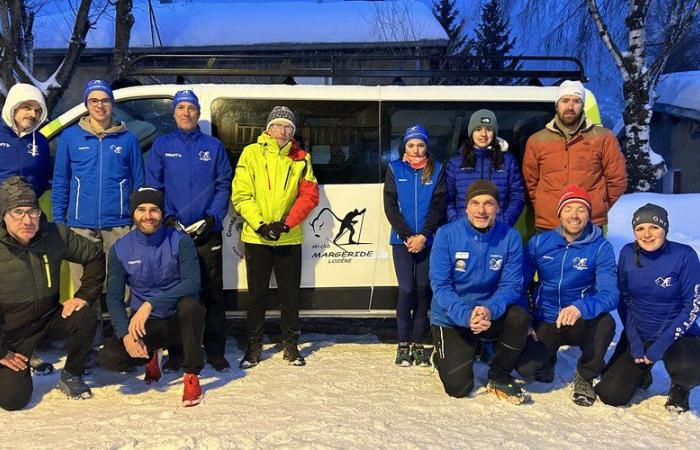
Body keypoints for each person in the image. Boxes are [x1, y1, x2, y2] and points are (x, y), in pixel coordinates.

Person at [52, 79, 145, 355]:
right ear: (86, 104)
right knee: (84, 292)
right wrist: (60, 222)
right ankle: (86, 349)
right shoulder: (70, 138)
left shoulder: (127, 139)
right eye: (94, 100)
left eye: (104, 100)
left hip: (119, 225)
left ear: (112, 104)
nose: (100, 105)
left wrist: (136, 223)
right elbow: (61, 181)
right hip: (80, 227)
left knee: (122, 289)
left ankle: (123, 343)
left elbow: (138, 183)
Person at [145, 89, 233, 372]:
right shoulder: (161, 145)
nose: (186, 112)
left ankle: (216, 350)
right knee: (177, 295)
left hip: (208, 232)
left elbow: (223, 184)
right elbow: (153, 186)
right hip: (173, 233)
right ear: (173, 113)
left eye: (191, 108)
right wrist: (166, 219)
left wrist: (212, 217)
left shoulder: (213, 146)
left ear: (198, 113)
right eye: (181, 107)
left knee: (212, 294)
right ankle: (179, 351)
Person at [0, 176, 105, 410]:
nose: (27, 219)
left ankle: (72, 374)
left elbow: (95, 256)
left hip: (47, 320)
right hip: (10, 334)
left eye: (33, 211)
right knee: (12, 400)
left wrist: (84, 295)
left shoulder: (55, 234)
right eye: (18, 212)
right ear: (3, 215)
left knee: (85, 315)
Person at [98, 187, 206, 407]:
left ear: (162, 213)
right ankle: (151, 357)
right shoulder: (121, 249)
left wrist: (151, 303)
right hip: (147, 324)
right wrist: (124, 334)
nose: (148, 215)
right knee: (110, 357)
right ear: (133, 213)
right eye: (141, 209)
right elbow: (114, 298)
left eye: (154, 210)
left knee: (192, 306)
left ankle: (192, 376)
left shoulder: (180, 241)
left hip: (178, 319)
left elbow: (192, 283)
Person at [514, 185, 618, 406]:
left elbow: (610, 294)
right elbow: (518, 284)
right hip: (547, 317)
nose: (574, 215)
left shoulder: (601, 247)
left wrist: (581, 307)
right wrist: (526, 318)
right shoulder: (539, 243)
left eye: (581, 209)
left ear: (589, 214)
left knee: (606, 323)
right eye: (569, 208)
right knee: (527, 369)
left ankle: (585, 375)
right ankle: (548, 357)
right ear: (559, 213)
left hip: (581, 319)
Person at [232, 105, 319, 369]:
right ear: (268, 128)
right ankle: (254, 346)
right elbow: (241, 194)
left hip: (288, 238)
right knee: (256, 296)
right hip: (257, 238)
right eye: (278, 125)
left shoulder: (302, 158)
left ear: (293, 132)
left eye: (288, 127)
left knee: (290, 296)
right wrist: (260, 225)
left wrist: (285, 224)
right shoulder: (251, 153)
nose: (282, 130)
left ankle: (291, 346)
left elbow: (309, 195)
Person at [429, 180, 530, 403]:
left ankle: (499, 374)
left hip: (488, 311)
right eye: (475, 203)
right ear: (466, 207)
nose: (481, 210)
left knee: (519, 317)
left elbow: (512, 285)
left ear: (498, 208)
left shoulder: (510, 237)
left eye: (488, 203)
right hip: (452, 317)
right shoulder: (446, 234)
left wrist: (489, 309)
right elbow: (440, 285)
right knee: (458, 388)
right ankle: (448, 352)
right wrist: (466, 315)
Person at [596, 204, 700, 413]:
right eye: (640, 228)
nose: (647, 234)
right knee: (611, 395)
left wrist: (659, 346)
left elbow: (693, 306)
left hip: (678, 335)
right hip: (640, 333)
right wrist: (634, 341)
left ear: (665, 229)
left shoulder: (684, 255)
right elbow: (624, 299)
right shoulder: (627, 253)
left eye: (653, 227)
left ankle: (680, 388)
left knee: (689, 369)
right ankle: (643, 371)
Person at [522, 80, 627, 231]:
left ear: (583, 105)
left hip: (589, 223)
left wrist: (600, 205)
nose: (570, 107)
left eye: (576, 101)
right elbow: (530, 181)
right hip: (550, 224)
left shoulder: (604, 138)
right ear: (557, 104)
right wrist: (543, 205)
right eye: (565, 101)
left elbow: (618, 179)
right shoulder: (537, 140)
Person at [383, 124, 445, 366]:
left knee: (422, 290)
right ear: (405, 147)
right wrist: (409, 235)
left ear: (426, 146)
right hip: (402, 241)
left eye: (420, 145)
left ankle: (418, 343)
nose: (416, 150)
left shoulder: (437, 169)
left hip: (428, 241)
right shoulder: (394, 168)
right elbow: (390, 206)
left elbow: (439, 205)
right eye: (411, 145)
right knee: (406, 290)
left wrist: (424, 235)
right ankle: (402, 343)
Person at [445, 109, 525, 226]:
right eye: (478, 129)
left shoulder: (507, 160)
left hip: (497, 230)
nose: (483, 134)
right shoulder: (456, 162)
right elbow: (446, 198)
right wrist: (457, 223)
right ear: (471, 132)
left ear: (494, 133)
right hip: (464, 230)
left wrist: (505, 222)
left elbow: (517, 196)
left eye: (488, 129)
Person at [0, 83, 51, 198]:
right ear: (13, 106)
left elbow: (43, 177)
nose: (33, 114)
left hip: (25, 208)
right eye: (27, 107)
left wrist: (30, 198)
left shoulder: (40, 141)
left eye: (38, 111)